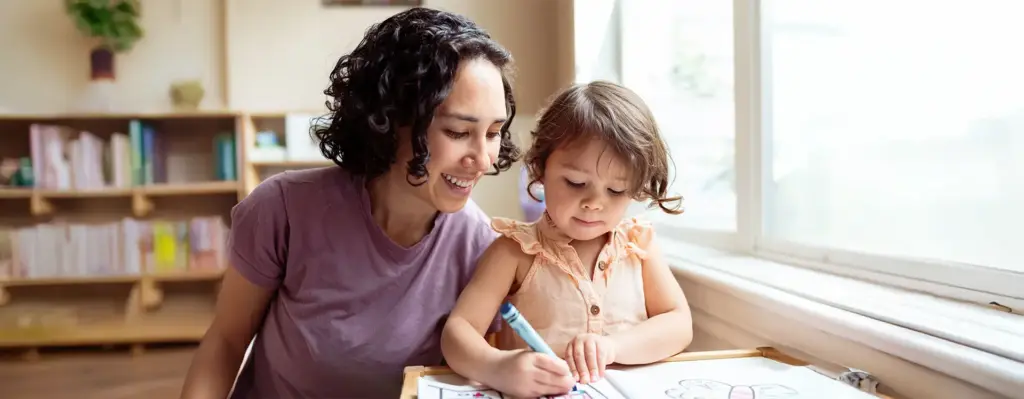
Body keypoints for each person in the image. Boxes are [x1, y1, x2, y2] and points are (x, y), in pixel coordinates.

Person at [179, 7, 521, 399]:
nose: (484, 159)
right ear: (390, 120)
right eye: (458, 131)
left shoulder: (482, 249)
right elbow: (226, 341)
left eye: (493, 133)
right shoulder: (283, 210)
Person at [440, 81, 694, 398]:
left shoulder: (637, 245)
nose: (594, 203)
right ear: (540, 169)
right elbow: (458, 332)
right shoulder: (514, 251)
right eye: (575, 182)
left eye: (616, 190)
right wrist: (498, 367)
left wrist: (613, 347)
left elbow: (679, 324)